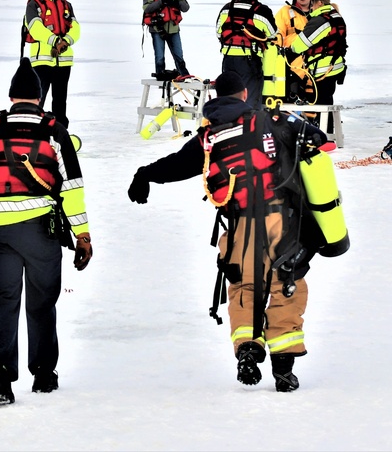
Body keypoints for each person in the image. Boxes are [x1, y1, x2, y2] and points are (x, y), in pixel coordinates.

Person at [127, 71, 348, 392]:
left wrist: (144, 175)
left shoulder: (208, 135)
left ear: (216, 97)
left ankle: (247, 347)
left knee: (244, 287)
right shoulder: (274, 119)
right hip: (283, 223)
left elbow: (178, 164)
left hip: (240, 225)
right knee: (287, 286)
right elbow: (318, 139)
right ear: (245, 95)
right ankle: (283, 369)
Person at [0, 58, 92, 406]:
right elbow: (72, 190)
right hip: (41, 232)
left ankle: (2, 377)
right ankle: (43, 375)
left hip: (0, 232)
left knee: (4, 301)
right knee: (41, 302)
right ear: (39, 98)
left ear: (10, 97)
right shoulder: (55, 133)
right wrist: (83, 236)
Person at [22, 0, 81, 127]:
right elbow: (35, 28)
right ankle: (31, 128)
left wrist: (66, 41)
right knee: (37, 98)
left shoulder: (65, 3)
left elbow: (75, 27)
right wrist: (55, 41)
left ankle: (60, 131)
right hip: (42, 60)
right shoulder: (34, 3)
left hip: (63, 61)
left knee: (60, 100)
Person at [290, 0, 347, 134]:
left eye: (313, 5)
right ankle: (328, 132)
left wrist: (290, 50)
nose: (311, 9)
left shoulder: (320, 20)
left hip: (322, 69)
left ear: (320, 3)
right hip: (336, 67)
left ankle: (323, 135)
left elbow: (300, 45)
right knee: (327, 100)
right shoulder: (337, 17)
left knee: (321, 102)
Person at [216, 0, 277, 109]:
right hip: (249, 62)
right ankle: (249, 127)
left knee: (230, 96)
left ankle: (228, 124)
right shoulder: (262, 11)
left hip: (228, 60)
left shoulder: (227, 8)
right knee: (250, 99)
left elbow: (218, 32)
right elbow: (273, 35)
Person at [143, 0, 191, 80]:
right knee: (159, 57)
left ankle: (184, 77)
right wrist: (162, 2)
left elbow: (186, 7)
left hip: (173, 28)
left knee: (179, 56)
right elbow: (146, 8)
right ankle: (160, 78)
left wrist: (176, 1)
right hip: (157, 29)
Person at [274, 0, 314, 101]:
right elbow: (278, 32)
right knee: (294, 91)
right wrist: (276, 50)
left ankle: (315, 118)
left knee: (313, 91)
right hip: (292, 59)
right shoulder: (285, 11)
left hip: (313, 57)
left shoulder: (317, 12)